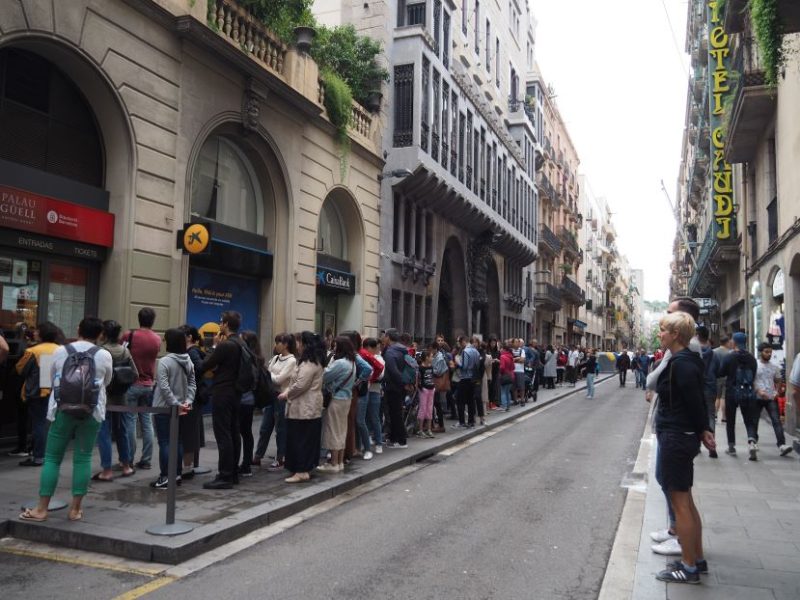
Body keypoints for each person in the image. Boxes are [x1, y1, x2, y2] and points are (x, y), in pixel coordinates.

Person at [19, 317, 113, 523]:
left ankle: (41, 509)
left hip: (61, 410)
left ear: (78, 329)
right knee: (83, 458)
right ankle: (75, 510)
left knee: (52, 458)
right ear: (100, 335)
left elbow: (52, 377)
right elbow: (107, 381)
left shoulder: (61, 351)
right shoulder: (104, 355)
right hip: (92, 412)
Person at [653, 312, 715, 585]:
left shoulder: (682, 364)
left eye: (664, 330)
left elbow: (694, 401)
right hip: (682, 434)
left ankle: (689, 567)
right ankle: (697, 558)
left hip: (676, 436)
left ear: (676, 335)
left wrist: (704, 429)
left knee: (680, 504)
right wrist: (703, 429)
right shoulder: (687, 361)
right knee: (686, 502)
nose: (660, 335)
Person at [198, 311, 245, 490]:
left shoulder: (226, 345)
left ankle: (225, 476)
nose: (220, 325)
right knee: (233, 432)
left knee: (223, 434)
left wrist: (215, 347)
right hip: (236, 392)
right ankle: (232, 473)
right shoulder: (241, 343)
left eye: (221, 322)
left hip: (223, 392)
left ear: (225, 324)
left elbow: (205, 365)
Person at [150, 328, 196, 489]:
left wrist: (174, 403)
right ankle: (176, 474)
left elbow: (163, 386)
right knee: (178, 442)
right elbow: (192, 383)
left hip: (164, 407)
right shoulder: (188, 360)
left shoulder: (164, 361)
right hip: (182, 407)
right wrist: (187, 401)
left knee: (165, 442)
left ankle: (165, 476)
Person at [94, 320, 137, 481]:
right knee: (122, 431)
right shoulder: (125, 351)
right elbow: (135, 374)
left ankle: (107, 470)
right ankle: (126, 466)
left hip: (105, 398)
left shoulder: (101, 351)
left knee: (104, 433)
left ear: (104, 334)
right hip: (122, 398)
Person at [280, 332, 325, 483]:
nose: (297, 346)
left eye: (299, 343)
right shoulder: (308, 361)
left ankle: (302, 471)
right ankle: (301, 468)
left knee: (301, 439)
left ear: (305, 345)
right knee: (302, 439)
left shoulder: (310, 363)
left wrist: (287, 394)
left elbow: (301, 385)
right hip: (306, 408)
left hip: (305, 408)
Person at [15, 322, 61, 467]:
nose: (34, 333)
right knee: (49, 423)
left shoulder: (33, 351)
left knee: (39, 424)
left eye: (36, 331)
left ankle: (39, 456)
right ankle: (47, 453)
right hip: (56, 391)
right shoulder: (60, 349)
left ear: (42, 334)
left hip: (38, 392)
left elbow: (20, 369)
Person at [121, 307, 160, 470]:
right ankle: (146, 459)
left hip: (132, 383)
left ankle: (129, 458)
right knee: (146, 421)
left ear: (139, 319)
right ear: (153, 320)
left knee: (130, 421)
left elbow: (121, 353)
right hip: (149, 384)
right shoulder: (157, 339)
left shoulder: (129, 336)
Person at [254, 333, 296, 469]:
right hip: (271, 395)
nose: (276, 345)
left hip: (281, 397)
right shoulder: (276, 358)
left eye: (279, 342)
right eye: (276, 341)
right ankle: (258, 456)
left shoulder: (292, 361)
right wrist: (270, 374)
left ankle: (280, 457)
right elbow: (271, 374)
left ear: (286, 345)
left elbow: (279, 379)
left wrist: (268, 374)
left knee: (280, 429)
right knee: (265, 427)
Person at [319, 336, 357, 472]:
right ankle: (339, 462)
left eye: (335, 346)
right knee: (341, 430)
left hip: (336, 399)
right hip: (346, 399)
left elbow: (325, 376)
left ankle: (333, 463)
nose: (333, 348)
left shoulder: (340, 363)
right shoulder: (351, 362)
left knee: (333, 431)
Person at [719, 332, 759, 460]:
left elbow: (721, 372)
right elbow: (754, 374)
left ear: (734, 342)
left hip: (732, 391)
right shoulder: (752, 358)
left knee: (730, 420)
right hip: (747, 392)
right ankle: (752, 442)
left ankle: (731, 447)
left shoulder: (729, 357)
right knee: (749, 419)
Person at [754, 342, 793, 457]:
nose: (769, 354)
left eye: (770, 352)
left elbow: (778, 380)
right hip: (757, 397)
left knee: (776, 421)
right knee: (754, 421)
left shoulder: (774, 366)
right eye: (767, 352)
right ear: (761, 352)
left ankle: (782, 445)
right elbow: (751, 380)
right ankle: (753, 442)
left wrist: (777, 392)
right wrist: (758, 391)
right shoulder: (755, 365)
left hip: (771, 397)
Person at [181, 325, 207, 478]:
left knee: (189, 433)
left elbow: (199, 368)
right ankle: (189, 466)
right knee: (191, 431)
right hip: (194, 397)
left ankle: (187, 468)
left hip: (192, 397)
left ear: (189, 337)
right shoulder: (192, 352)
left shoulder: (192, 353)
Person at [237, 331, 264, 478]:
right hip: (249, 400)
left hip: (244, 400)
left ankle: (245, 465)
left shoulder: (248, 359)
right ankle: (246, 464)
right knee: (246, 433)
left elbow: (247, 380)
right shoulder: (257, 358)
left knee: (242, 432)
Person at [382, 329, 410, 448]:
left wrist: (401, 382)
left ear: (388, 337)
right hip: (400, 386)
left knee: (395, 413)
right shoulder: (402, 350)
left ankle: (401, 440)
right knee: (396, 412)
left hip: (393, 386)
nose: (383, 338)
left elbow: (393, 371)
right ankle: (393, 438)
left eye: (384, 336)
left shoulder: (390, 352)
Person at [357, 337, 384, 458]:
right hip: (367, 389)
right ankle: (365, 442)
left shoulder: (377, 358)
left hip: (374, 390)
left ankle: (378, 443)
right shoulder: (365, 356)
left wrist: (369, 379)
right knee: (364, 418)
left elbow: (380, 372)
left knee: (374, 417)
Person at [454, 336, 480, 428]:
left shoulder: (465, 351)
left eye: (460, 343)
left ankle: (462, 422)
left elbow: (464, 366)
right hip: (473, 378)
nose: (460, 346)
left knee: (460, 400)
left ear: (463, 342)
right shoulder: (476, 351)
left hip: (465, 378)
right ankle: (471, 421)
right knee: (470, 401)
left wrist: (457, 362)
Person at [713, 336, 733, 423]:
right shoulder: (730, 353)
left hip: (716, 377)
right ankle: (724, 417)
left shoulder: (714, 352)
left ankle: (715, 414)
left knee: (717, 397)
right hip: (727, 377)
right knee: (724, 397)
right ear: (727, 342)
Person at [416, 350, 436, 437]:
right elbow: (418, 380)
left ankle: (428, 429)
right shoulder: (420, 368)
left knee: (430, 409)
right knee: (423, 408)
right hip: (424, 389)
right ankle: (420, 430)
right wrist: (421, 388)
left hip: (431, 388)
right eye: (431, 356)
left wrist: (434, 386)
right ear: (427, 357)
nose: (432, 358)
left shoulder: (431, 367)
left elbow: (432, 377)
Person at [498, 342, 515, 411]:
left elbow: (502, 367)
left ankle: (504, 407)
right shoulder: (511, 356)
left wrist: (500, 372)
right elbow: (513, 367)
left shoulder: (502, 356)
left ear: (504, 349)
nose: (500, 350)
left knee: (503, 392)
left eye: (501, 348)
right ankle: (508, 406)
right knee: (507, 392)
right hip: (511, 376)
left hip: (504, 376)